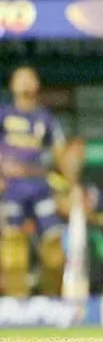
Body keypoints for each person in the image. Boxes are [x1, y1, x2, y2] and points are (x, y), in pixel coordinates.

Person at [0, 66, 68, 297]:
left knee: (53, 245)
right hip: (12, 187)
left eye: (30, 78)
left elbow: (60, 154)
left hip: (40, 186)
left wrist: (68, 187)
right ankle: (16, 302)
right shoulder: (4, 114)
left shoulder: (45, 118)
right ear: (12, 84)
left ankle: (52, 298)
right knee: (13, 246)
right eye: (21, 78)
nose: (26, 83)